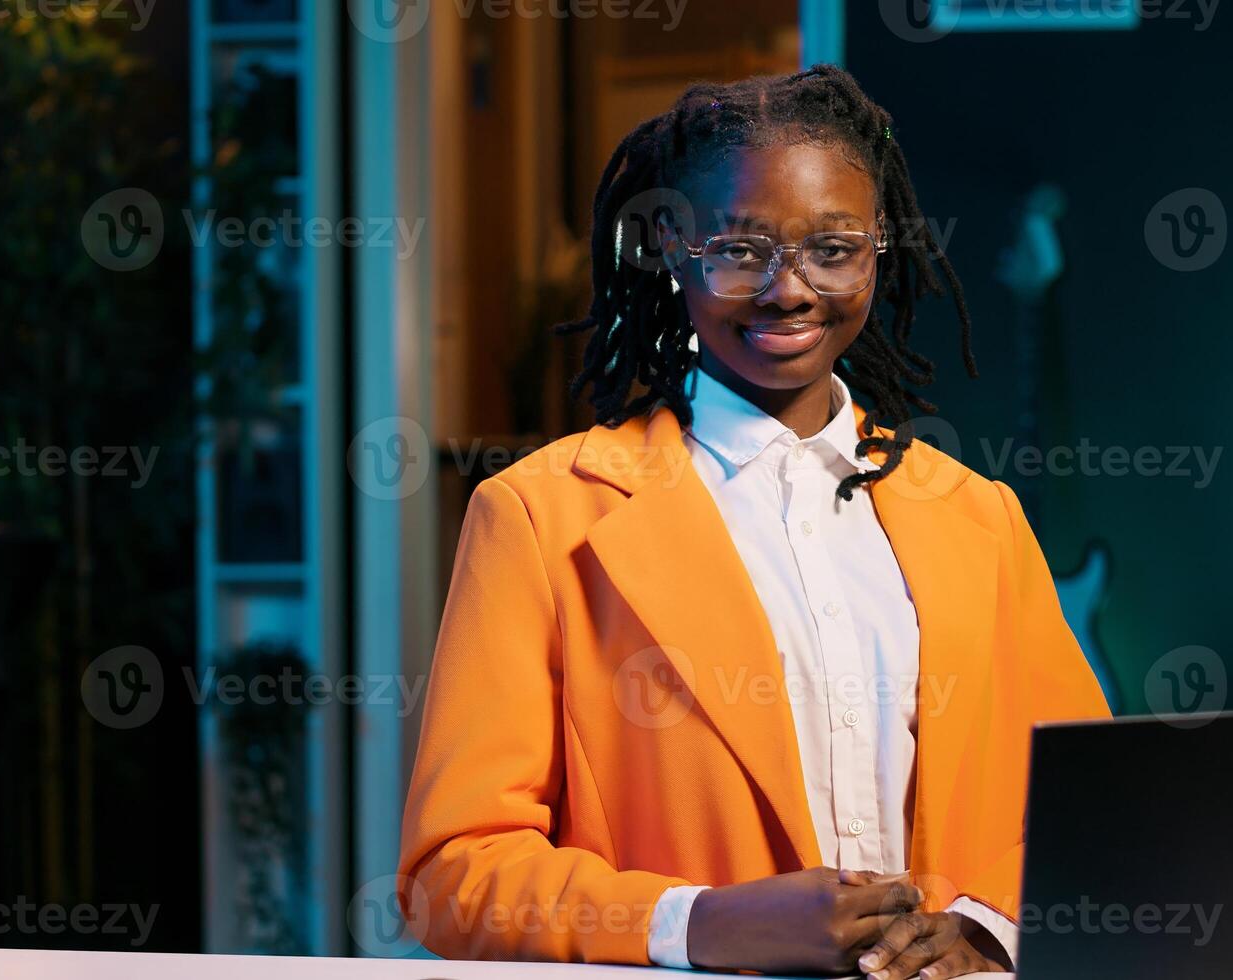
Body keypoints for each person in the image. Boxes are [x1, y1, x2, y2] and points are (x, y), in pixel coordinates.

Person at [396, 65, 1111, 979]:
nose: (788, 290)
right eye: (740, 249)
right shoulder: (537, 519)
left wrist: (985, 927)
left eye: (834, 248)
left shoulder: (980, 518)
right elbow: (452, 874)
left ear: (878, 249)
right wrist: (701, 924)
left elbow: (1083, 817)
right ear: (669, 245)